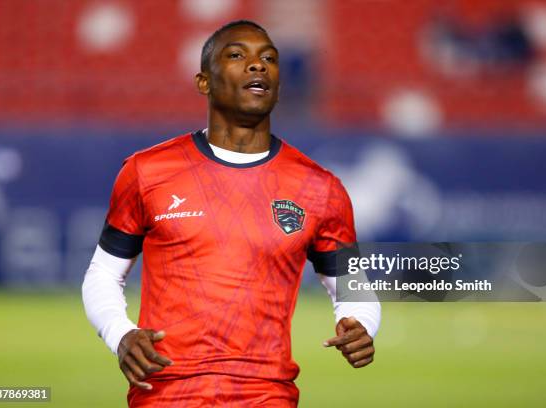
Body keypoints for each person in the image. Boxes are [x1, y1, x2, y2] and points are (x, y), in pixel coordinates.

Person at [82, 20, 380, 407]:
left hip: (266, 396)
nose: (258, 66)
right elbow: (103, 274)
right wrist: (119, 333)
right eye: (238, 55)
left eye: (269, 59)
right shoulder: (147, 171)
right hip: (166, 395)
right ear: (204, 82)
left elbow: (353, 289)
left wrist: (361, 325)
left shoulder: (320, 188)